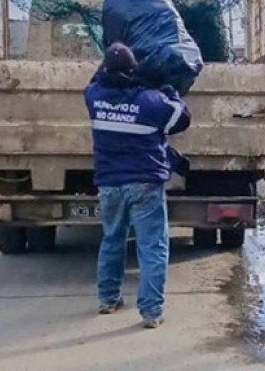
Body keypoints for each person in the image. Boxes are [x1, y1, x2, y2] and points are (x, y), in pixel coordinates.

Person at [84, 42, 191, 328]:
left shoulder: (93, 97)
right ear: (133, 71)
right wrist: (169, 90)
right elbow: (182, 118)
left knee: (111, 240)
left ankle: (108, 299)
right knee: (152, 247)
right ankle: (151, 312)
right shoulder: (151, 102)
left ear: (105, 69)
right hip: (144, 184)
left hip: (109, 184)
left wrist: (113, 55)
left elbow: (95, 79)